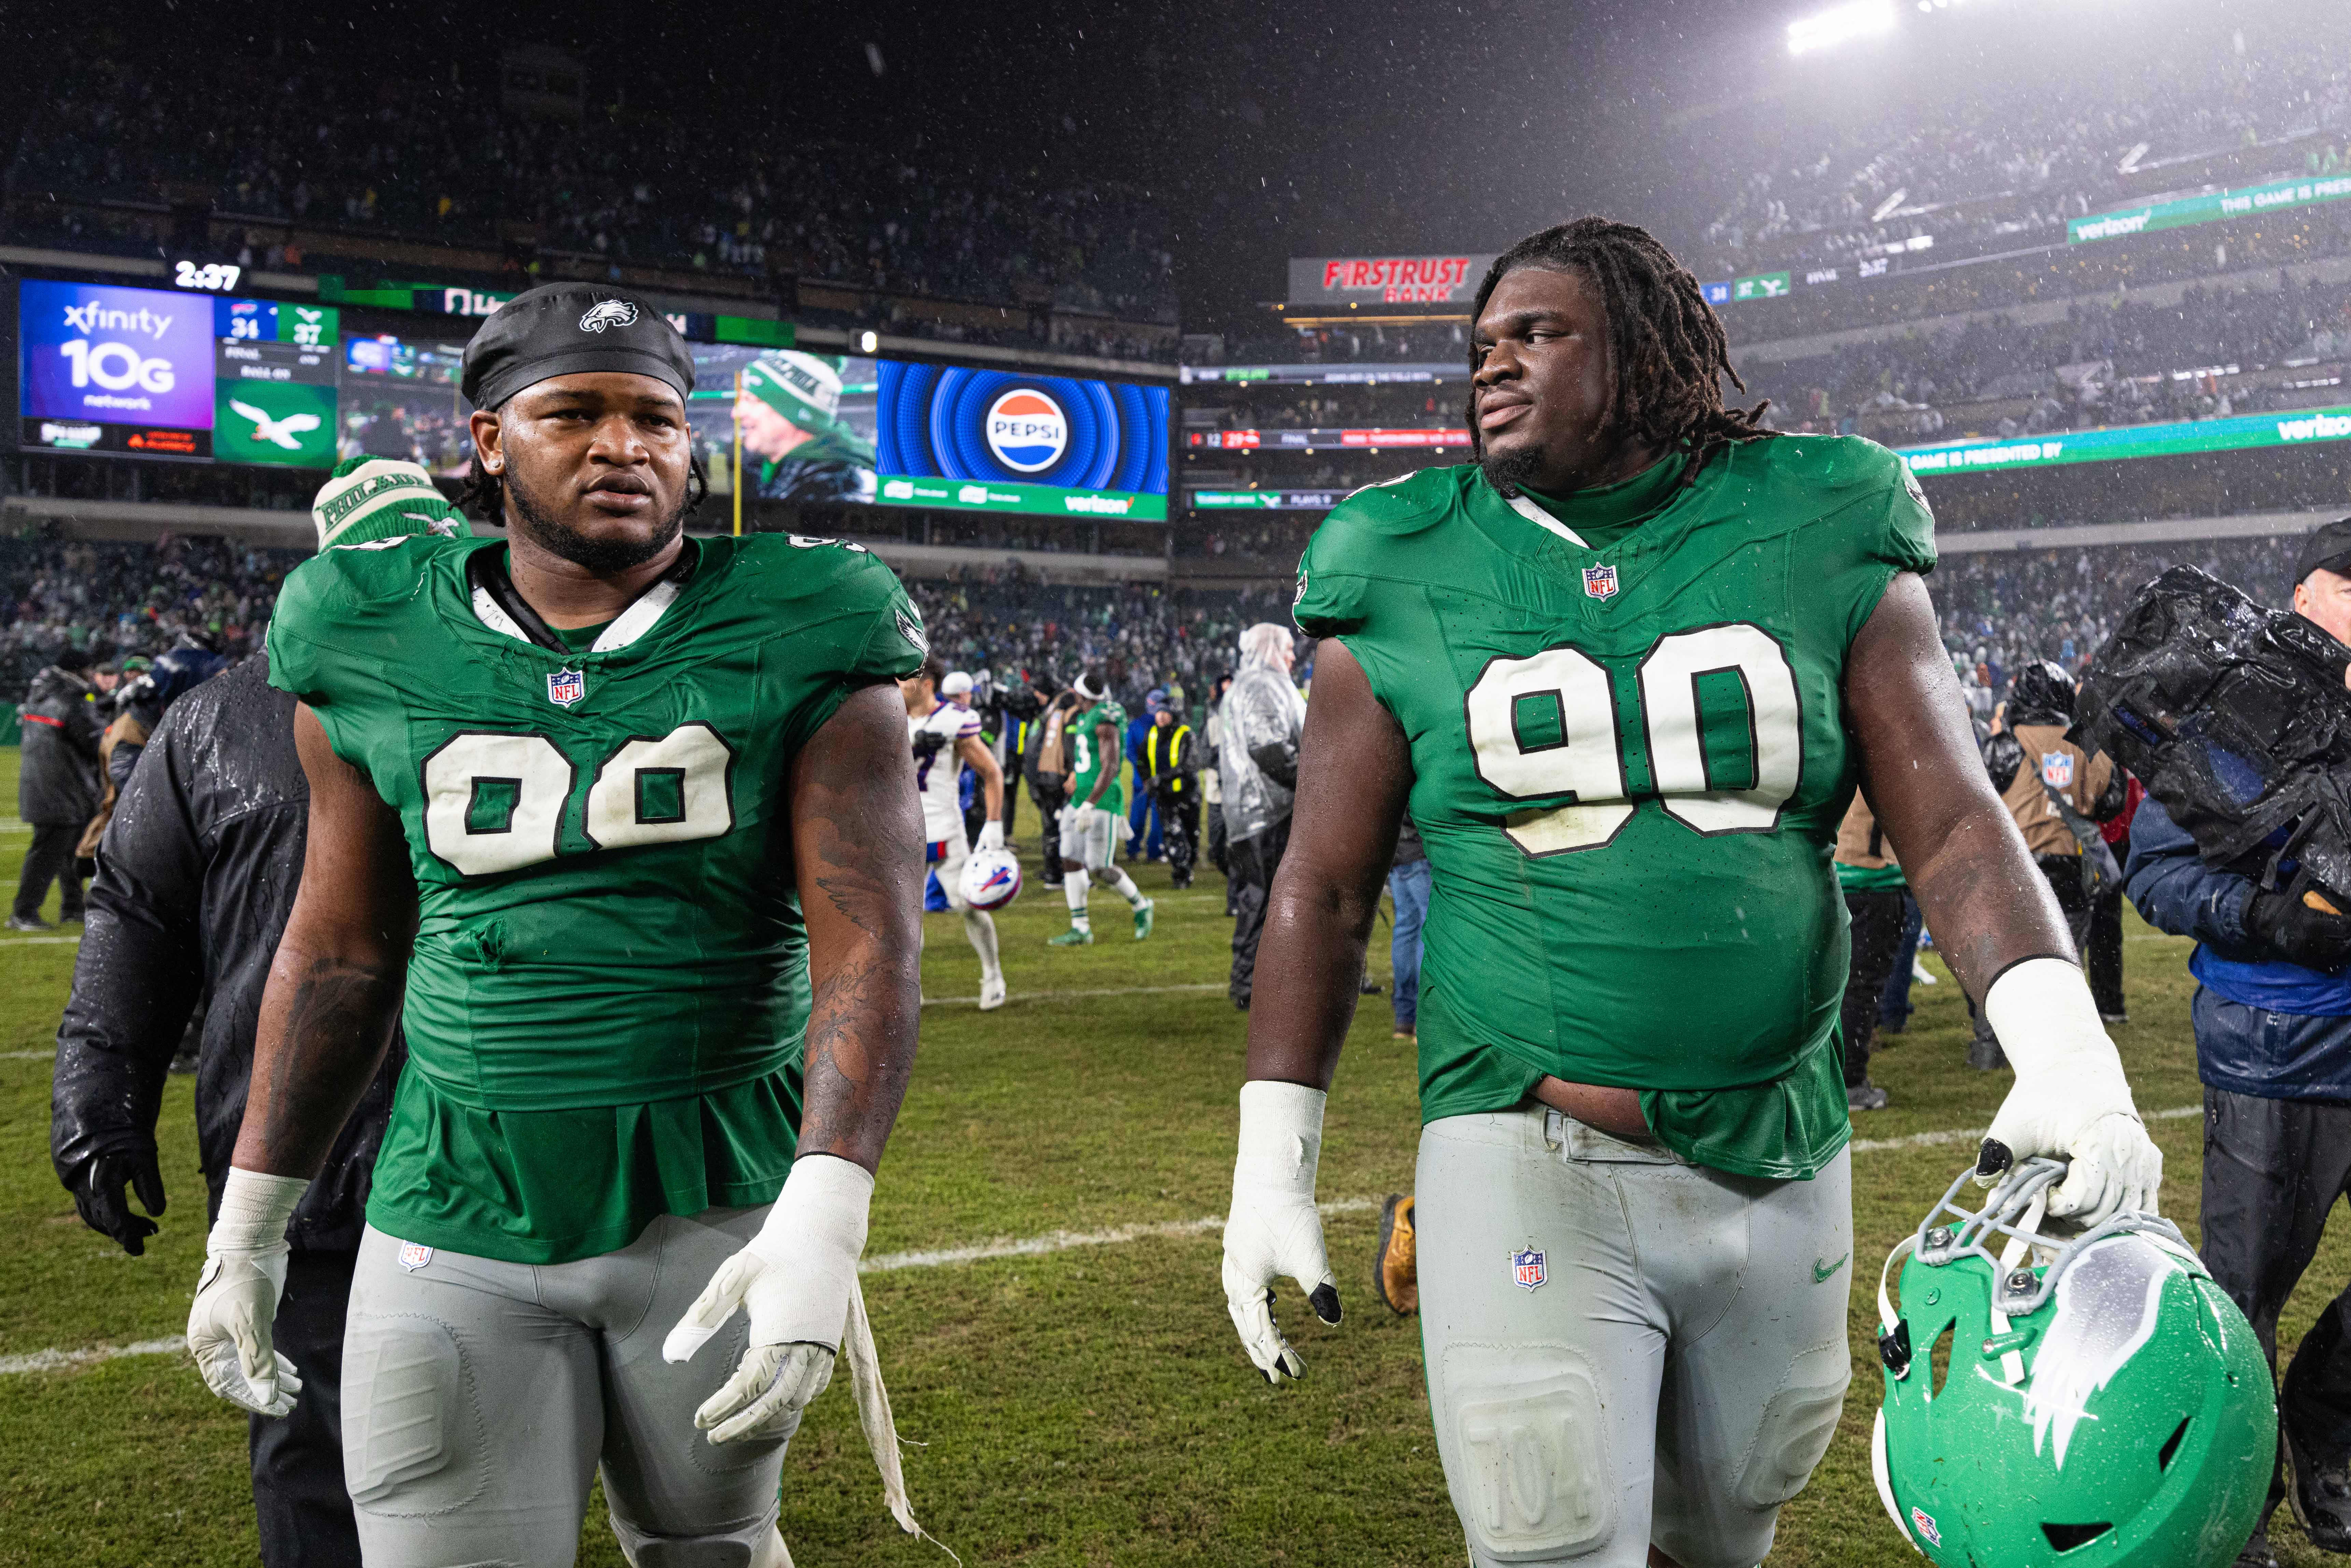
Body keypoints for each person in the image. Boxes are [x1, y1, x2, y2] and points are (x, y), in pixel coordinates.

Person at [1219, 218, 2163, 1568]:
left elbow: (1947, 815)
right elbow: (1318, 880)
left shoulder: (1819, 513)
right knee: (1553, 1530)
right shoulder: (1401, 555)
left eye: (1535, 333)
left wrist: (2066, 1054)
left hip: (1782, 1141)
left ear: (1649, 351)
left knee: (1729, 1524)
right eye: (1480, 342)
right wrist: (1273, 1157)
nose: (1491, 364)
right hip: (1528, 1137)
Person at [181, 284, 929, 1565]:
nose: (621, 445)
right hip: (451, 1201)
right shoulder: (362, 623)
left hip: (719, 1196)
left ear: (694, 443)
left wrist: (826, 1210)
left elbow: (870, 932)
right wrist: (250, 1223)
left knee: (718, 1549)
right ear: (487, 440)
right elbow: (344, 946)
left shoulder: (809, 616)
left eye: (653, 416)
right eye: (572, 412)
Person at [51, 457, 456, 1566]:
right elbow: (136, 907)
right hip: (312, 1169)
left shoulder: (538, 687)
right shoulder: (219, 716)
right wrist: (98, 1095)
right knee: (319, 1462)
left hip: (493, 1165)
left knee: (485, 1461)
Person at [2123, 518, 2351, 1568]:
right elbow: (2157, 876)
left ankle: (2321, 1413)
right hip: (2277, 1041)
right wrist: (2272, 920)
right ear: (2310, 594)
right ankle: (2241, 1502)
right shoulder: (2231, 709)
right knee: (2246, 1288)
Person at [1974, 661, 2123, 1068]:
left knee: (2000, 962)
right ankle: (2053, 1050)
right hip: (2067, 872)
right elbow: (2112, 801)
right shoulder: (2086, 746)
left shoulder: (2002, 745)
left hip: (2013, 868)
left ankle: (1988, 1048)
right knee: (2062, 966)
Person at [904, 655, 1009, 1010]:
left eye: (905, 680)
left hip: (944, 830)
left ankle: (993, 974)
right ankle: (907, 987)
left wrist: (994, 826)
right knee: (902, 921)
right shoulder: (887, 716)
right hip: (898, 834)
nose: (897, 687)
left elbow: (992, 772)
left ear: (927, 683)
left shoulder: (953, 721)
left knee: (969, 905)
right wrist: (915, 742)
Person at [76, 644, 231, 865]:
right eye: (215, 681)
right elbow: (142, 798)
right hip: (140, 856)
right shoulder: (133, 732)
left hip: (167, 849)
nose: (224, 690)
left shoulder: (175, 719)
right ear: (187, 686)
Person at [1218, 625, 1304, 1008]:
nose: (1292, 655)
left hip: (1253, 812)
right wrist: (1311, 779)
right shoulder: (1261, 685)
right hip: (1268, 811)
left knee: (1265, 898)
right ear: (1269, 647)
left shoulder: (1248, 683)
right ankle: (1249, 984)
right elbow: (1267, 746)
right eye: (1286, 647)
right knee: (1266, 899)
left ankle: (1255, 981)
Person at [1048, 669, 1155, 946]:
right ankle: (1080, 927)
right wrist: (1076, 775)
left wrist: (1090, 803)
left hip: (1102, 801)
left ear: (1080, 694)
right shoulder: (1087, 714)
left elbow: (1111, 767)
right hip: (1079, 799)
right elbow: (1090, 758)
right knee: (1070, 858)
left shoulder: (1104, 720)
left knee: (1100, 867)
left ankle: (1141, 905)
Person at [11, 647, 102, 930]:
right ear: (80, 671)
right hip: (62, 787)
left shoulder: (41, 693)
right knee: (48, 854)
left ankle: (73, 908)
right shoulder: (72, 699)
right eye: (89, 669)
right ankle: (24, 913)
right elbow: (91, 741)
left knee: (66, 851)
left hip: (42, 783)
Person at [1832, 791, 1906, 1110]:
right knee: (1860, 987)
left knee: (1826, 986)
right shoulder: (1880, 748)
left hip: (1828, 875)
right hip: (1872, 881)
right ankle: (1849, 1082)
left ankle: (1830, 1078)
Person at [733, 350, 878, 505]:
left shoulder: (840, 490)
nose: (736, 413)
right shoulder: (758, 469)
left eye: (751, 400)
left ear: (793, 410)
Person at [1145, 695, 1199, 888]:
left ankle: (1188, 867)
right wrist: (1149, 781)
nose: (1160, 717)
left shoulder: (1186, 735)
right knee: (1172, 834)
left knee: (1191, 835)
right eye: (1158, 712)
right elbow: (1144, 760)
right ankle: (1181, 874)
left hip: (1187, 793)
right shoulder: (1152, 734)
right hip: (1164, 795)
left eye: (1165, 713)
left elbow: (1189, 765)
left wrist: (1161, 778)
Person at [1386, 813, 1428, 1043]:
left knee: (1405, 930)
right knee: (1428, 929)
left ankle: (1404, 1020)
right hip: (1418, 852)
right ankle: (1424, 1017)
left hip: (1398, 855)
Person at [1203, 672, 1233, 903]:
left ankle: (1237, 882)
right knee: (1216, 841)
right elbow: (1202, 755)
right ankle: (1232, 872)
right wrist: (1216, 759)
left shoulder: (1247, 722)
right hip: (1216, 790)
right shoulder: (1212, 723)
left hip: (1238, 790)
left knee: (1239, 841)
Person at [1125, 689, 1164, 863]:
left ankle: (1133, 850)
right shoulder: (1164, 726)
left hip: (1141, 780)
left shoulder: (1135, 726)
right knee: (1158, 817)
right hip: (1159, 780)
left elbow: (1130, 753)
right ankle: (1154, 852)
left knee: (1138, 817)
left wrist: (1142, 772)